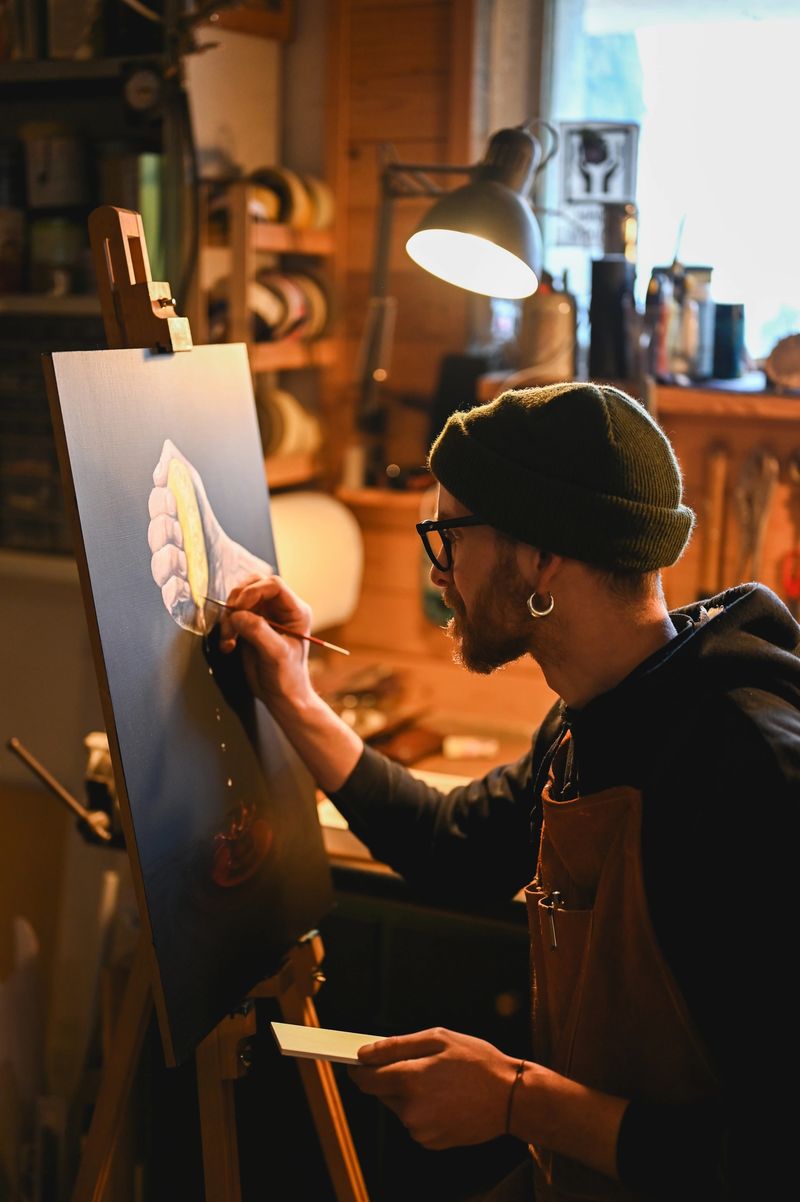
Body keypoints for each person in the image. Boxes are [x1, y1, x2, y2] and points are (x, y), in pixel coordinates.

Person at [217, 382, 800, 1201]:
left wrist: (517, 1100)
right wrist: (293, 697)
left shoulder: (748, 778)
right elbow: (448, 843)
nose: (439, 569)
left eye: (450, 534)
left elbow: (772, 1158)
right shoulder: (592, 719)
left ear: (542, 558)